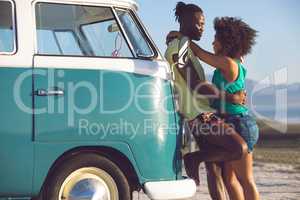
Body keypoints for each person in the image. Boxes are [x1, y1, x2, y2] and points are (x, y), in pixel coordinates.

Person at [168, 15, 260, 200]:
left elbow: (201, 54)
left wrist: (181, 37)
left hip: (240, 123)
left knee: (245, 179)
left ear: (226, 43)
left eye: (216, 40)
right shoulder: (233, 62)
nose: (212, 43)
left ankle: (195, 158)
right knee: (229, 179)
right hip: (229, 120)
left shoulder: (228, 63)